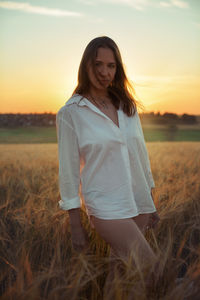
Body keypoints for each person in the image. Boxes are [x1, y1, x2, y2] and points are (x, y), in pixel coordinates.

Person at [56, 36, 160, 267]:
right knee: (154, 271)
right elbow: (68, 171)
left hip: (138, 199)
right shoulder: (71, 112)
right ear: (86, 66)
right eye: (98, 64)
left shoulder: (126, 105)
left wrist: (149, 198)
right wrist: (75, 225)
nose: (105, 72)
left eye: (111, 65)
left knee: (122, 276)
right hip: (107, 207)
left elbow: (140, 153)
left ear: (118, 68)